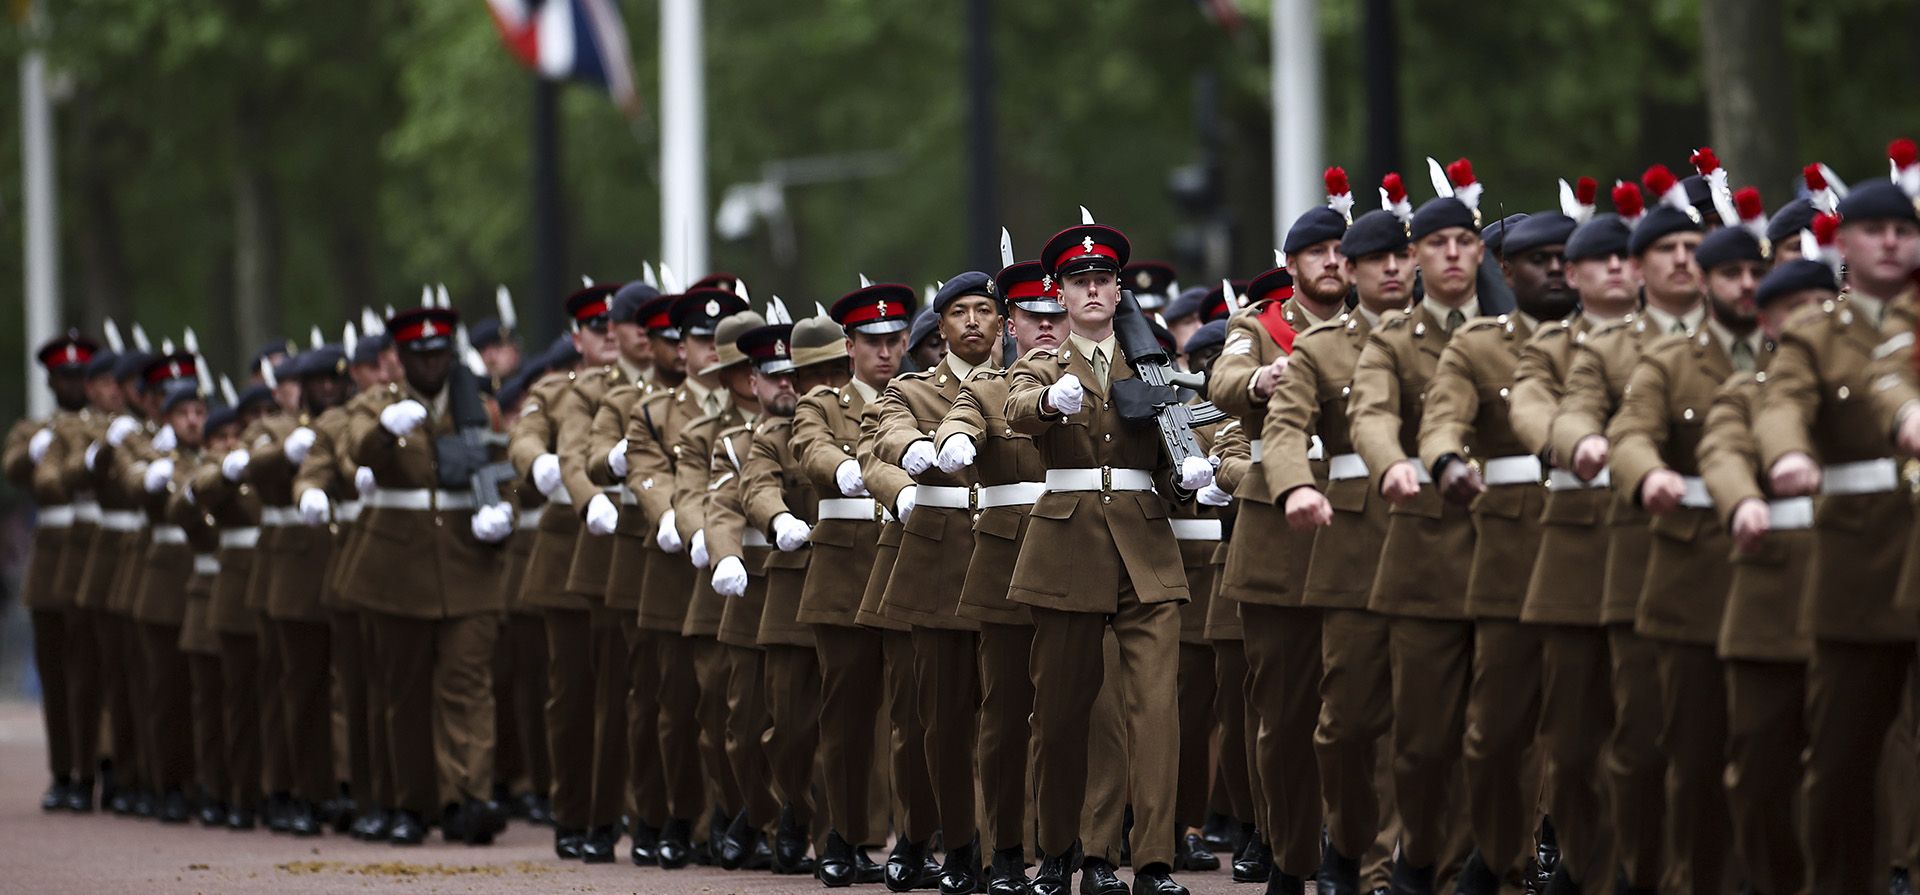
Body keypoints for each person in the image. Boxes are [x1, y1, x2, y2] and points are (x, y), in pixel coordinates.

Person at [1007, 218, 1214, 895]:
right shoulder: (1041, 361)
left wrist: (1188, 473)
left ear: (1119, 289)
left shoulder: (1151, 364)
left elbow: (1181, 450)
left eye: (1102, 279)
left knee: (1156, 710)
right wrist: (1046, 399)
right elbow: (1013, 406)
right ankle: (1067, 852)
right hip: (1067, 546)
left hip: (1145, 545)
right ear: (1059, 294)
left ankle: (1149, 861)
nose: (1092, 289)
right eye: (1079, 281)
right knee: (1065, 711)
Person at [1607, 203, 1774, 893]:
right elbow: (1631, 434)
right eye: (1729, 271)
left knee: (1770, 753)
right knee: (1692, 753)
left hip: (1781, 576)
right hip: (1691, 574)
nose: (1744, 284)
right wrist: (1648, 474)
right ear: (1706, 282)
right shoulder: (1668, 360)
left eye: (1755, 272)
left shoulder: (1794, 353)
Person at [1764, 178, 1920, 892]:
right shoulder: (1815, 332)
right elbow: (1782, 404)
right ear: (1844, 243)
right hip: (1859, 566)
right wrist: (1789, 453)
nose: (1891, 241)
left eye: (1904, 229)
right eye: (1876, 229)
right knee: (1839, 759)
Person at [1551, 173, 1706, 893]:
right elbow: (1576, 408)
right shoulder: (1607, 348)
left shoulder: (1748, 335)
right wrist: (1584, 443)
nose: (1683, 259)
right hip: (1644, 555)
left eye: (1693, 246)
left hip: (1751, 556)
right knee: (1637, 741)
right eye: (1666, 248)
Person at [1417, 209, 1579, 890]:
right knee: (1495, 728)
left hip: (1589, 538)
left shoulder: (1615, 342)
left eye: (1564, 256)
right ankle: (1494, 847)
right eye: (1536, 258)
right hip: (1506, 541)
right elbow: (1443, 416)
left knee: (1584, 721)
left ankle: (1573, 856)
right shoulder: (1478, 344)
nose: (1554, 269)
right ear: (1504, 269)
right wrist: (1446, 461)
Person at [1345, 158, 1487, 890]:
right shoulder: (1393, 340)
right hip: (1424, 549)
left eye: (1466, 240)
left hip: (1508, 551)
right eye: (1437, 243)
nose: (1453, 254)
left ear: (1480, 250)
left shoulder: (1511, 334)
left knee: (1496, 737)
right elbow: (1368, 410)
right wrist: (1390, 462)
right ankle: (1420, 855)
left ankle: (1483, 868)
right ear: (1419, 255)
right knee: (1423, 742)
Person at [1209, 171, 1352, 892]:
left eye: (1340, 250)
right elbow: (1223, 380)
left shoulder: (1372, 329)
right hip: (1274, 533)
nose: (1332, 261)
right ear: (1292, 264)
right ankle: (1290, 853)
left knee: (1352, 707)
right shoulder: (1259, 326)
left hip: (1352, 527)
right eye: (1317, 251)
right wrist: (1261, 381)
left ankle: (1340, 849)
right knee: (1283, 711)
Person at [1268, 200, 1414, 893]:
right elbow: (1284, 428)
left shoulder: (1457, 340)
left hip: (1435, 542)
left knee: (1426, 718)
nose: (1393, 269)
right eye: (1376, 259)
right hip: (1353, 543)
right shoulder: (1320, 348)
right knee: (1348, 722)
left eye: (1401, 256)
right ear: (1349, 270)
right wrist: (1294, 485)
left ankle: (1393, 865)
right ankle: (1350, 839)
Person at [1508, 206, 1640, 892]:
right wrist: (1571, 439)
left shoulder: (1681, 343)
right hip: (1577, 549)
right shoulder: (1552, 347)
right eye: (1600, 258)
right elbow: (1531, 405)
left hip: (1662, 549)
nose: (1617, 268)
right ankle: (1583, 857)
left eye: (1627, 256)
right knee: (1577, 728)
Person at [346, 304, 512, 846]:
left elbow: (498, 466)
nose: (432, 363)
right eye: (420, 355)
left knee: (469, 687)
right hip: (398, 572)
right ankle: (410, 803)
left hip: (468, 569)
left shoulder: (478, 408)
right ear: (399, 359)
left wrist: (500, 510)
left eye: (439, 353)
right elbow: (357, 451)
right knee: (405, 694)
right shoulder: (377, 406)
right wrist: (383, 432)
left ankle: (470, 798)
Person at [1697, 258, 1831, 894]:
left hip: (1860, 595)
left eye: (1820, 303)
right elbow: (1722, 450)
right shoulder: (1746, 391)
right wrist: (1743, 500)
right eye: (1794, 306)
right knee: (1757, 769)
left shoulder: (1881, 383)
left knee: (1858, 767)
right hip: (1770, 603)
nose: (1810, 318)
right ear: (1768, 322)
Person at [871, 271, 1006, 895]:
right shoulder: (910, 389)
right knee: (942, 720)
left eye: (985, 310)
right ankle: (955, 844)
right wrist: (910, 455)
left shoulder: (1024, 384)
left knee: (1009, 717)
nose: (973, 321)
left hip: (1009, 562)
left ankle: (1008, 844)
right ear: (941, 327)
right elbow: (887, 433)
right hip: (940, 568)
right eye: (959, 313)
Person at [620, 285, 750, 868]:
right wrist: (686, 523)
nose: (707, 351)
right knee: (674, 705)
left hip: (745, 566)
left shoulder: (755, 402)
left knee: (733, 703)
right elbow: (657, 479)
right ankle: (673, 815)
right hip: (678, 567)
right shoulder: (654, 411)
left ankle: (731, 816)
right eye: (698, 339)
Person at [790, 283, 914, 887]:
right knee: (846, 717)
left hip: (908, 572)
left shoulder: (924, 397)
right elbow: (807, 447)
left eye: (894, 340)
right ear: (850, 345)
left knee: (913, 714)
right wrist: (842, 468)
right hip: (844, 574)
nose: (885, 352)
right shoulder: (822, 403)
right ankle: (841, 836)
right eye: (873, 342)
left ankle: (910, 839)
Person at [508, 282, 625, 860]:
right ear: (576, 337)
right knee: (571, 695)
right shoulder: (556, 389)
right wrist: (542, 463)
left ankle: (613, 813)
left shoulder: (644, 388)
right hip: (565, 548)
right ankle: (574, 812)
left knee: (621, 693)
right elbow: (522, 438)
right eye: (595, 329)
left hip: (628, 546)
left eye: (614, 327)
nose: (607, 337)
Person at [6, 331, 102, 811]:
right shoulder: (33, 430)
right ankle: (62, 772)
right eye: (64, 376)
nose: (71, 383)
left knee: (89, 675)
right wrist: (33, 451)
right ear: (51, 381)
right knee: (56, 675)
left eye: (78, 375)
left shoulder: (103, 427)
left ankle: (90, 771)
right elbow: (12, 468)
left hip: (89, 555)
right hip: (50, 564)